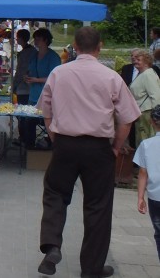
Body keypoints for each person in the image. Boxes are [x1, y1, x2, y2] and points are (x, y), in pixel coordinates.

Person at [36, 26, 141, 278]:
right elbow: (127, 119)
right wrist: (116, 146)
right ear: (99, 47)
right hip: (98, 147)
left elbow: (46, 111)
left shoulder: (58, 73)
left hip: (65, 144)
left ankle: (52, 246)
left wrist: (55, 137)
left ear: (74, 46)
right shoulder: (111, 77)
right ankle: (92, 267)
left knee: (55, 194)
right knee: (98, 205)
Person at [25, 27, 62, 149]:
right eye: (35, 39)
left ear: (45, 40)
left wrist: (37, 80)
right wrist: (27, 77)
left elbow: (55, 77)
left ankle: (50, 146)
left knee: (48, 123)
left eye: (38, 39)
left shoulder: (53, 57)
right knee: (29, 122)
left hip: (48, 97)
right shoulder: (34, 55)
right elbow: (30, 70)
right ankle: (29, 149)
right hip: (33, 95)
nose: (35, 41)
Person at [134, 104, 160, 261]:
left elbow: (143, 173)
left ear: (151, 122)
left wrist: (140, 197)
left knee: (159, 232)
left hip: (155, 196)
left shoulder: (146, 145)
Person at [129, 50, 160, 149]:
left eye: (139, 60)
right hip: (141, 112)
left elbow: (156, 95)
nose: (135, 61)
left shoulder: (148, 74)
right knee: (141, 139)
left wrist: (155, 116)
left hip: (147, 113)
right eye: (135, 59)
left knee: (145, 140)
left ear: (146, 62)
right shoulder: (142, 74)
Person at [13, 29, 38, 149]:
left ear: (21, 38)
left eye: (17, 38)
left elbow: (20, 71)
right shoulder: (32, 51)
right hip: (30, 88)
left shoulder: (26, 53)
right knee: (26, 115)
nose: (16, 40)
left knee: (22, 114)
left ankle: (24, 138)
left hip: (24, 88)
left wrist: (15, 85)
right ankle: (26, 138)